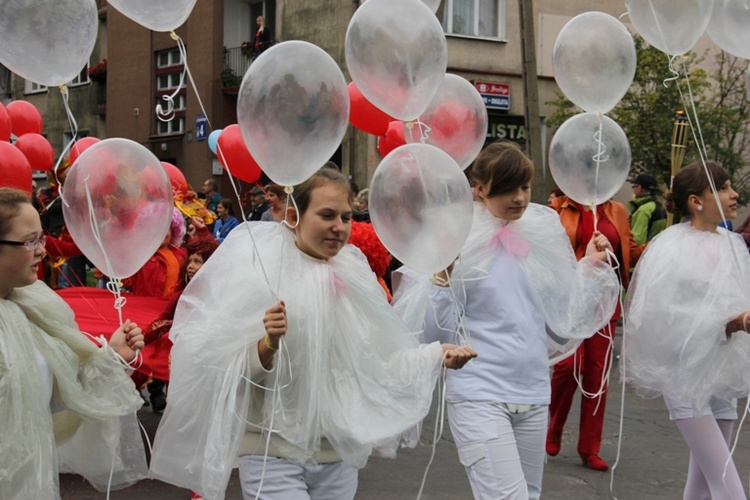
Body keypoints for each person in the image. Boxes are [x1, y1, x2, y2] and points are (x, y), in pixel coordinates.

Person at [150, 166, 476, 500]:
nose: (339, 227)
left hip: (336, 454)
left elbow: (377, 359)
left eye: (346, 217)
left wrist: (435, 355)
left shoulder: (354, 273)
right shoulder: (259, 270)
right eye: (326, 215)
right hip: (270, 451)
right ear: (294, 216)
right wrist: (267, 345)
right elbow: (217, 364)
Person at [400, 141, 619, 499]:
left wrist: (590, 267)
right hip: (479, 394)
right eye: (507, 188)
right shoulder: (455, 239)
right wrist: (441, 279)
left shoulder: (540, 231)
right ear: (480, 188)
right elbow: (434, 333)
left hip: (533, 393)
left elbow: (560, 316)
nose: (519, 197)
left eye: (525, 186)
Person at [0, 187, 147, 498]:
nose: (42, 251)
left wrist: (111, 356)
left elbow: (48, 397)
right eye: (30, 241)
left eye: (41, 238)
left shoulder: (31, 304)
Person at [623, 161, 750, 499]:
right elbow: (661, 318)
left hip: (721, 375)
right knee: (729, 489)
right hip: (684, 378)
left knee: (704, 486)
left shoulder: (733, 244)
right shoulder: (671, 247)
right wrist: (735, 321)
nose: (734, 194)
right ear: (696, 201)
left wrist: (740, 318)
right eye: (722, 188)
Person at [545, 194, 643, 471]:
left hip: (604, 301)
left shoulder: (617, 210)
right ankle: (553, 425)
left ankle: (590, 447)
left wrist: (658, 247)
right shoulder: (559, 208)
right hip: (571, 299)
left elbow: (629, 252)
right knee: (568, 365)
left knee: (597, 375)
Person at [627, 173, 667, 245]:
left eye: (634, 186)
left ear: (639, 188)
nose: (633, 189)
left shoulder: (643, 210)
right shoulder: (660, 207)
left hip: (643, 254)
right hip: (656, 251)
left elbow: (637, 240)